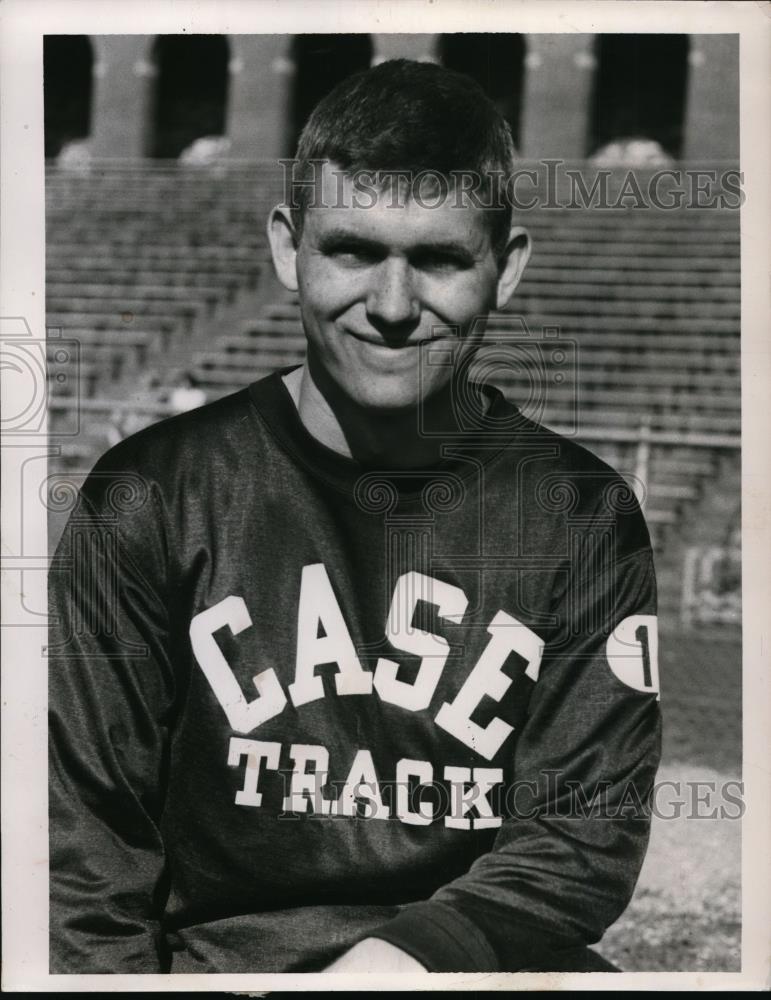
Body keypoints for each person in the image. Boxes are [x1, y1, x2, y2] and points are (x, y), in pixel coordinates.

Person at [48, 59, 661, 975]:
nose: (390, 306)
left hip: (461, 964)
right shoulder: (150, 494)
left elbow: (582, 838)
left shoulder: (579, 513)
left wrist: (400, 961)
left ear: (508, 266)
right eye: (352, 250)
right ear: (287, 247)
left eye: (440, 259)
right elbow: (82, 849)